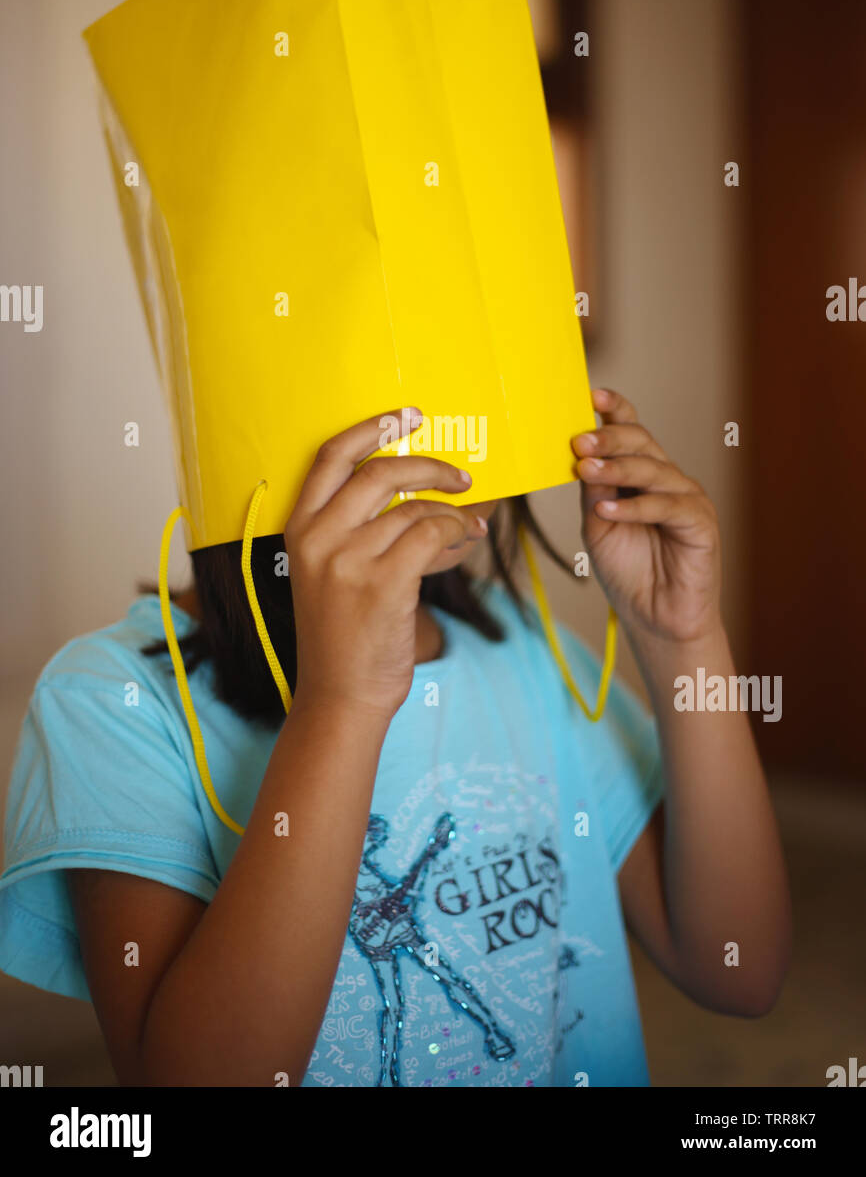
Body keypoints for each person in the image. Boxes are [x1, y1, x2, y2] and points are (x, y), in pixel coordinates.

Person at [0, 389, 791, 1087]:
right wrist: (342, 702)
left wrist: (683, 640)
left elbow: (740, 969)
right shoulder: (112, 700)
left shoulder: (527, 649)